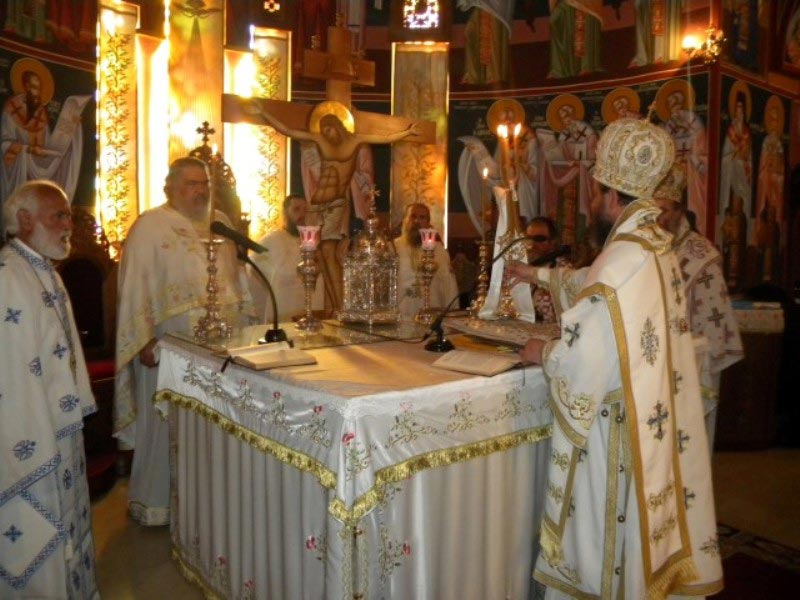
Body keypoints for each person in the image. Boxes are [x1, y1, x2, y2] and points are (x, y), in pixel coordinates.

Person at [509, 118, 722, 598]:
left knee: (606, 552)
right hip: (649, 418)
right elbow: (596, 286)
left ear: (609, 196)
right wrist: (536, 275)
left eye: (596, 191)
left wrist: (543, 352)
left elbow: (585, 360)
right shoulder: (655, 247)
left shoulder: (621, 258)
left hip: (616, 430)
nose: (591, 202)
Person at [114, 157, 252, 526]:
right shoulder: (150, 226)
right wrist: (142, 339)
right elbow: (134, 286)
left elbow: (236, 283)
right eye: (192, 183)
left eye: (205, 183)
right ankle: (156, 505)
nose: (201, 190)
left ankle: (206, 506)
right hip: (166, 348)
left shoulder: (219, 224)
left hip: (219, 350)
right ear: (170, 188)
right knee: (165, 426)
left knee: (212, 429)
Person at [0, 180, 99, 598]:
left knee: (68, 516)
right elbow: (11, 372)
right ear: (25, 220)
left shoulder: (45, 271)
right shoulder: (9, 275)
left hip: (60, 424)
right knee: (40, 522)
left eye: (68, 216)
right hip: (33, 432)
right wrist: (35, 433)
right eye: (58, 215)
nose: (67, 225)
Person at [252, 100, 420, 310]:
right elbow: (290, 131)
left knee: (329, 252)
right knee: (320, 256)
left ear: (339, 126)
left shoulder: (354, 141)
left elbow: (382, 137)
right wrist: (264, 114)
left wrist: (406, 132)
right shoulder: (321, 142)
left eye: (329, 129)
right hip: (316, 205)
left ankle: (341, 306)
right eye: (323, 131)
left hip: (335, 206)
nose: (327, 134)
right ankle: (333, 307)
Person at [654, 166, 744, 449]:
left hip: (691, 364)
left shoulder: (702, 258)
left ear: (680, 212)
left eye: (664, 211)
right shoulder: (650, 247)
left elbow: (713, 324)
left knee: (689, 443)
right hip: (655, 361)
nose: (657, 219)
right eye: (652, 211)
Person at [1, 59, 89, 213]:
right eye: (34, 88)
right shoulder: (11, 108)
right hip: (15, 172)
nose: (37, 93)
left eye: (39, 89)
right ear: (26, 86)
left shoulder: (40, 113)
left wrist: (72, 129)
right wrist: (26, 149)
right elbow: (3, 143)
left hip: (35, 169)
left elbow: (47, 146)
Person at [251, 194, 324, 321]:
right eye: (296, 209)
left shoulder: (314, 243)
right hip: (283, 309)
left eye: (305, 210)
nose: (302, 215)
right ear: (285, 213)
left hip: (311, 308)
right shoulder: (272, 239)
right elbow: (255, 269)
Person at [393, 202, 458, 319]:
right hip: (401, 314)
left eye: (422, 217)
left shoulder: (439, 250)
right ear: (404, 220)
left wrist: (451, 315)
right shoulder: (393, 248)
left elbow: (449, 285)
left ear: (428, 224)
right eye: (413, 216)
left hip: (432, 313)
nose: (417, 221)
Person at [525, 216, 570, 323]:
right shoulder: (525, 266)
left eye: (539, 239)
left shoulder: (563, 269)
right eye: (528, 239)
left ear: (553, 241)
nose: (532, 245)